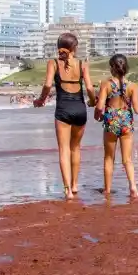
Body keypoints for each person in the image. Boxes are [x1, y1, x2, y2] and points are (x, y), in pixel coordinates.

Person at [34, 33, 96, 199]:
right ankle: (75, 185)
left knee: (64, 150)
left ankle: (68, 190)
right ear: (75, 48)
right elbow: (90, 88)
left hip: (63, 110)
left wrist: (41, 100)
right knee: (75, 148)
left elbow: (48, 85)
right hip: (80, 109)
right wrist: (92, 102)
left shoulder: (53, 63)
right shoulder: (82, 64)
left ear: (59, 47)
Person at [95, 54, 138, 197]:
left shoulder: (106, 84)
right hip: (127, 121)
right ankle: (133, 186)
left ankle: (107, 190)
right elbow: (137, 109)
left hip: (111, 121)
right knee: (127, 159)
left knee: (109, 158)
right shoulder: (133, 86)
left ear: (112, 68)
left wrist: (98, 115)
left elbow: (100, 106)